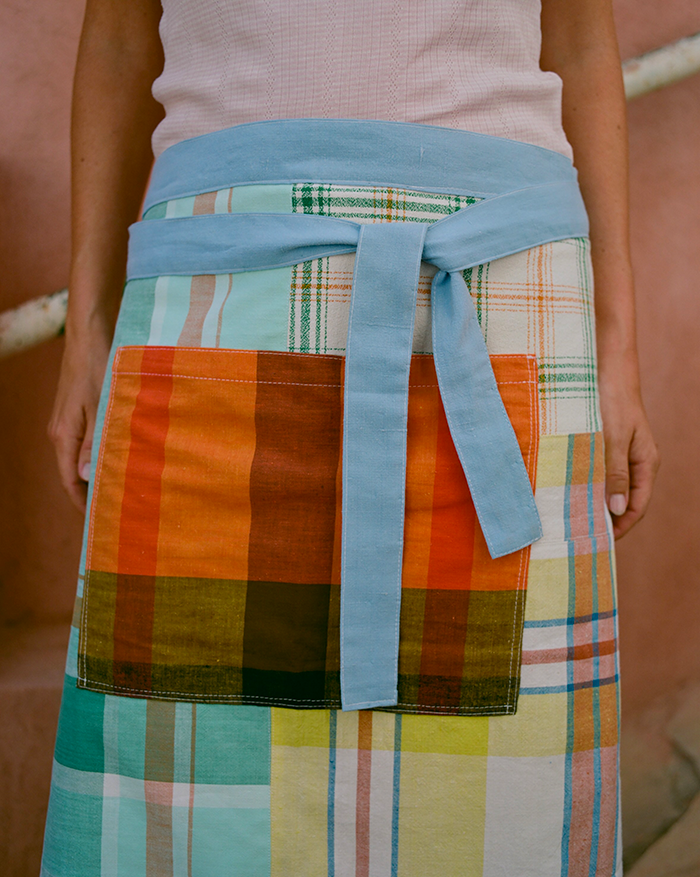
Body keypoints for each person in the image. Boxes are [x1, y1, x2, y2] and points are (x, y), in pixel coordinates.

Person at [43, 1, 659, 875]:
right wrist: (87, 327)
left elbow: (583, 40)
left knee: (503, 812)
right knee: (172, 795)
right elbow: (115, 36)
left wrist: (618, 346)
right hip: (222, 282)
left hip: (496, 288)